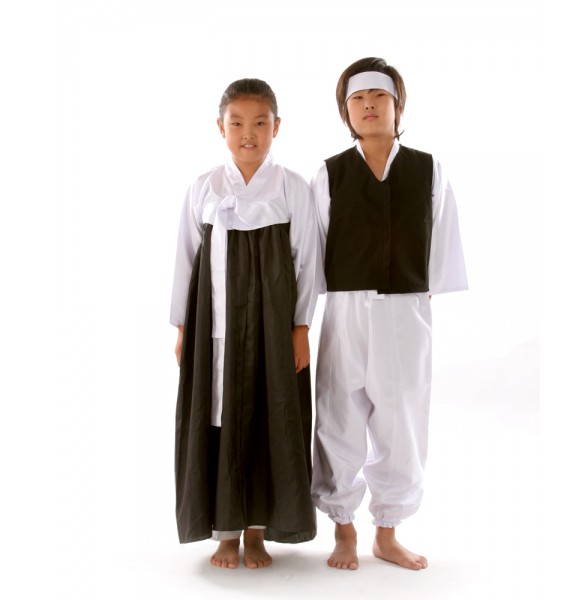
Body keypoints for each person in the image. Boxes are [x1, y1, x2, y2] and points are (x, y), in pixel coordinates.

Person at [310, 57, 468, 571]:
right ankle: (344, 528)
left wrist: (418, 297)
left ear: (398, 106)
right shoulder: (329, 174)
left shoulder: (429, 169)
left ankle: (387, 532)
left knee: (402, 419)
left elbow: (441, 240)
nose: (369, 106)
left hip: (405, 309)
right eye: (358, 99)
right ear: (346, 112)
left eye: (380, 96)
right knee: (339, 413)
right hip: (346, 311)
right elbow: (312, 248)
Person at [170, 78, 319, 569]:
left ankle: (257, 531)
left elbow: (307, 263)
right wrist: (183, 329)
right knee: (219, 419)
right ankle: (226, 531)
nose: (248, 133)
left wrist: (300, 327)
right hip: (216, 330)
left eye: (259, 122)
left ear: (277, 127)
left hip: (273, 329)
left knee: (268, 417)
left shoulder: (292, 188)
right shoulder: (205, 187)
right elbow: (186, 261)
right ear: (221, 127)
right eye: (237, 123)